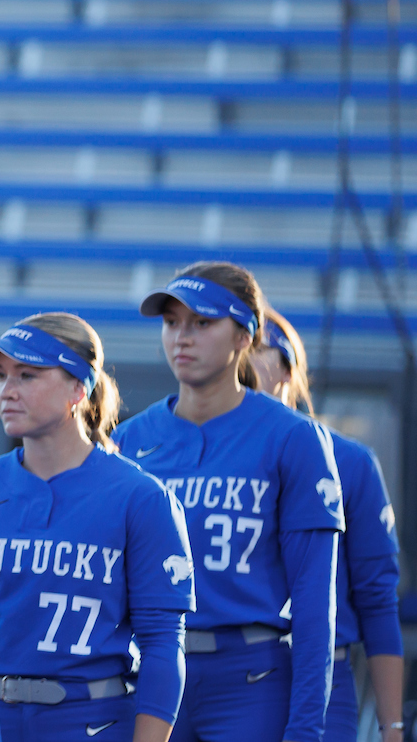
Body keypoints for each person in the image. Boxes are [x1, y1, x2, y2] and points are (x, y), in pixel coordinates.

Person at [111, 262, 345, 742]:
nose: (182, 337)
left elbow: (315, 604)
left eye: (202, 322)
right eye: (172, 323)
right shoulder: (130, 440)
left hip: (252, 679)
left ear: (245, 336)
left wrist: (305, 728)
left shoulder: (294, 439)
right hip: (150, 674)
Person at [0, 313, 194, 742]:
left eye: (28, 375)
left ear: (79, 388)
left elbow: (164, 645)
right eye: (2, 376)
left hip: (92, 721)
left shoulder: (142, 497)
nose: (7, 391)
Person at [250, 307, 404, 742]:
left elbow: (377, 600)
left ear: (287, 366)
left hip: (320, 673)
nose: (240, 357)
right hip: (218, 678)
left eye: (257, 347)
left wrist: (392, 727)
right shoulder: (185, 451)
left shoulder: (350, 461)